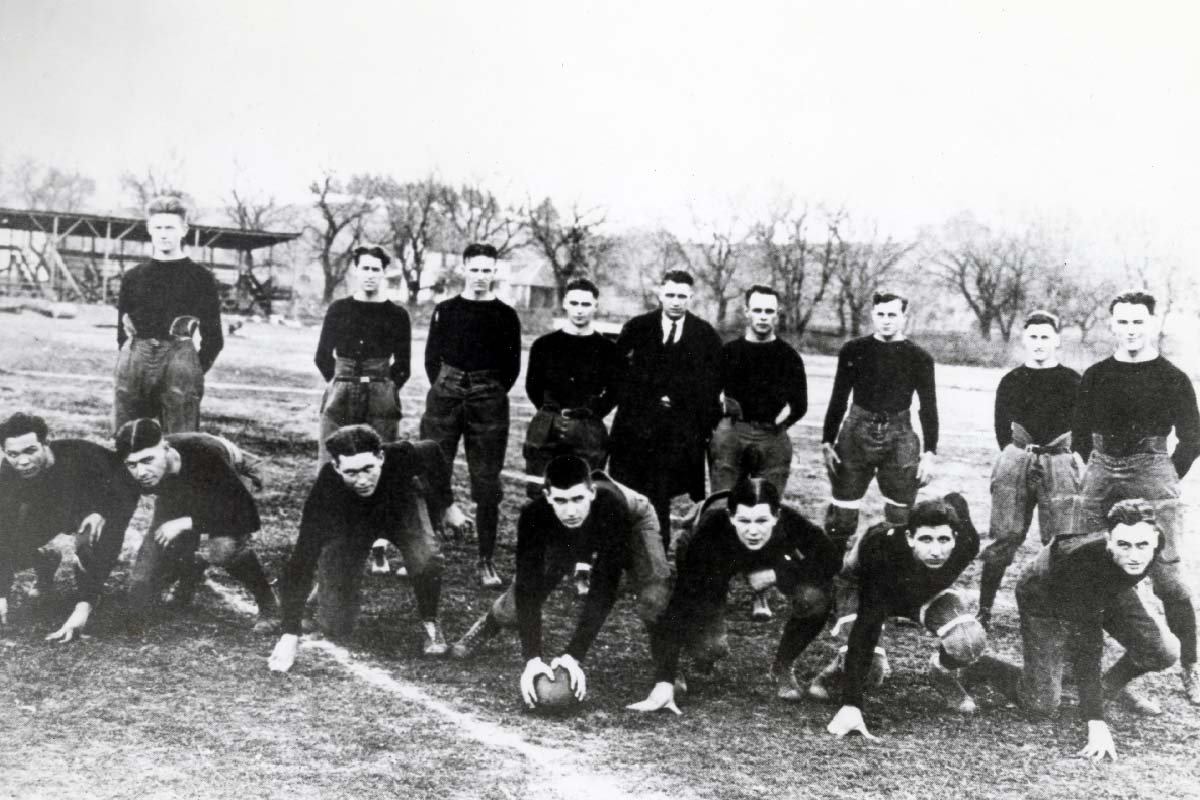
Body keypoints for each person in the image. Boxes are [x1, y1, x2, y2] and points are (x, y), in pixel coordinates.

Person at [447, 455, 670, 711]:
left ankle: (668, 669)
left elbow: (604, 586)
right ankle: (490, 623)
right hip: (567, 531)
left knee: (655, 596)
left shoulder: (612, 507)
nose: (571, 510)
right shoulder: (534, 514)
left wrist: (574, 655)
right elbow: (527, 586)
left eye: (577, 499)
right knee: (522, 599)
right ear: (547, 496)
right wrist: (532, 659)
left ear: (592, 492)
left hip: (632, 519)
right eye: (561, 501)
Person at [626, 452, 841, 715]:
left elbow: (831, 559)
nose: (753, 530)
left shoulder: (791, 522)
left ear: (776, 516)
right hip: (716, 563)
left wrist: (779, 573)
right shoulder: (709, 533)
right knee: (710, 648)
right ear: (730, 517)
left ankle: (783, 665)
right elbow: (680, 604)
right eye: (744, 520)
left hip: (769, 562)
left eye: (762, 521)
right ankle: (673, 666)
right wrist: (664, 680)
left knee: (815, 597)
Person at [965, 500, 1179, 761]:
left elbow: (1134, 583)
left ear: (1155, 539)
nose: (1135, 555)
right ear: (1109, 539)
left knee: (1163, 650)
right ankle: (983, 666)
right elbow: (1087, 645)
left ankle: (1106, 689)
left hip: (1105, 586)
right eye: (1124, 545)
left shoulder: (1152, 542)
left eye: (1142, 545)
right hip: (1045, 594)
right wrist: (1095, 722)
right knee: (1041, 704)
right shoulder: (1081, 561)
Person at [1071, 290, 1200, 706]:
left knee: (1169, 579)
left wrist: (1165, 475)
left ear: (1152, 324)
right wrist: (1092, 467)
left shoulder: (1172, 377)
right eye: (1122, 322)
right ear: (1112, 325)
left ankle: (1190, 668)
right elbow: (1078, 430)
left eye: (1138, 322)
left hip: (1153, 464)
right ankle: (1081, 671)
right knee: (1084, 562)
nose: (1130, 330)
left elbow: (1193, 436)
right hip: (1103, 463)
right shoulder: (1095, 374)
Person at [267, 425, 471, 671]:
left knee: (426, 556)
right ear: (336, 467)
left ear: (381, 458)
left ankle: (430, 622)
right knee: (335, 626)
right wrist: (290, 635)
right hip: (355, 521)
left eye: (368, 469)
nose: (362, 480)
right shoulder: (326, 493)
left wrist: (449, 506)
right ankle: (324, 589)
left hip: (400, 505)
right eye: (351, 472)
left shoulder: (401, 455)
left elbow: (434, 452)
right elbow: (301, 560)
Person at [821, 494, 986, 741]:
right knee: (871, 673)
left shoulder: (969, 543)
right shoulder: (883, 553)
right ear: (910, 538)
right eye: (925, 539)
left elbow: (957, 499)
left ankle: (941, 671)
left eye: (943, 539)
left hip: (919, 589)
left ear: (956, 537)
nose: (936, 551)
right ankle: (835, 670)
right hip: (863, 584)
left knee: (967, 640)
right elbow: (868, 625)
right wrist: (851, 704)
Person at [420, 243, 521, 588]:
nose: (480, 277)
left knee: (487, 479)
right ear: (464, 268)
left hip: (488, 397)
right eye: (475, 269)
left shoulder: (506, 315)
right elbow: (431, 359)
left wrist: (485, 388)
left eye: (487, 270)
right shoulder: (445, 310)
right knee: (432, 465)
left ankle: (486, 560)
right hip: (445, 392)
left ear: (496, 272)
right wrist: (448, 385)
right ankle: (425, 550)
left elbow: (511, 368)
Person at [115, 418, 276, 632]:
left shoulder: (205, 458)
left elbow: (246, 516)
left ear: (165, 448)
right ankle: (190, 576)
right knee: (142, 587)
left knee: (222, 546)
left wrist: (186, 522)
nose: (141, 472)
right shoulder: (134, 471)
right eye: (132, 464)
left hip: (220, 463)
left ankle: (269, 603)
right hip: (175, 489)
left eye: (147, 460)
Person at [977, 311, 1081, 629]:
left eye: (1045, 336)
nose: (1039, 343)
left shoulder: (1073, 381)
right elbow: (1000, 428)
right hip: (1017, 459)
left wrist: (1063, 461)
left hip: (1059, 462)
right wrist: (1018, 459)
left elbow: (1083, 428)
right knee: (1004, 537)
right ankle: (984, 609)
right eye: (1033, 337)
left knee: (1063, 540)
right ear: (1024, 339)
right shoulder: (1011, 380)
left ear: (1057, 340)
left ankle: (1059, 610)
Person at [314, 244, 413, 575]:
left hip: (380, 392)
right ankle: (329, 538)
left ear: (385, 273)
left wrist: (383, 389)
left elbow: (405, 366)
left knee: (380, 463)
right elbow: (321, 356)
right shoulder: (339, 309)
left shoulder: (397, 314)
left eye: (376, 269)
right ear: (355, 271)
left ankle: (379, 546)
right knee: (331, 462)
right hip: (342, 389)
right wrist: (340, 384)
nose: (370, 275)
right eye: (365, 268)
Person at [711, 284, 808, 621]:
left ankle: (760, 595)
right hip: (732, 433)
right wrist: (724, 425)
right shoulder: (729, 351)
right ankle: (715, 588)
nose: (764, 317)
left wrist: (776, 428)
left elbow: (800, 405)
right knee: (723, 507)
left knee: (766, 512)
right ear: (747, 312)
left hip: (770, 435)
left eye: (770, 311)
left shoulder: (788, 356)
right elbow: (711, 393)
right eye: (758, 310)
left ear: (776, 314)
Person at [0, 412, 140, 642]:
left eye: (30, 451)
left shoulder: (84, 456)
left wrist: (101, 511)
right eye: (13, 454)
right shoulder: (9, 471)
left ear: (46, 443)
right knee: (11, 535)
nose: (22, 462)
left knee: (91, 540)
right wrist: (1, 593)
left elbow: (128, 489)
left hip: (93, 507)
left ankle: (88, 599)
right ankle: (44, 559)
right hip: (51, 509)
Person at [608, 270, 723, 549]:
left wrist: (685, 410)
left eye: (682, 296)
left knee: (660, 493)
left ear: (691, 297)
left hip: (675, 433)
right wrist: (648, 401)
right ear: (660, 294)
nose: (675, 301)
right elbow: (617, 374)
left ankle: (657, 553)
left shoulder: (704, 334)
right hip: (635, 427)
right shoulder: (637, 327)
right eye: (670, 294)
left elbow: (712, 385)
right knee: (626, 491)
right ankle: (621, 555)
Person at [820, 291, 937, 546]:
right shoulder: (854, 350)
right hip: (856, 430)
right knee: (842, 515)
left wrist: (929, 453)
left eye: (892, 315)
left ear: (904, 317)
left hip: (900, 433)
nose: (886, 320)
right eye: (881, 314)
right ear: (873, 315)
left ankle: (892, 577)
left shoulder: (919, 357)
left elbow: (928, 407)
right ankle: (830, 573)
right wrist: (827, 441)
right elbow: (838, 397)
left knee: (900, 517)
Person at [114, 194, 223, 434]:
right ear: (149, 229)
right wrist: (132, 361)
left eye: (170, 227)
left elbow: (214, 338)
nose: (164, 234)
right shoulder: (133, 277)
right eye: (158, 227)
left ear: (184, 230)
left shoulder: (200, 277)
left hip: (179, 363)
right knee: (127, 439)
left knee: (181, 443)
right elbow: (121, 332)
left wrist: (191, 368)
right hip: (134, 364)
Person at [523, 277, 620, 478]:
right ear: (565, 303)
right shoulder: (544, 345)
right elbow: (533, 386)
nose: (579, 310)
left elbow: (614, 392)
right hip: (547, 427)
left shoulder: (608, 350)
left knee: (584, 490)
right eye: (574, 303)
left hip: (587, 429)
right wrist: (550, 414)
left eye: (585, 304)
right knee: (539, 490)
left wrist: (591, 415)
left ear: (595, 306)